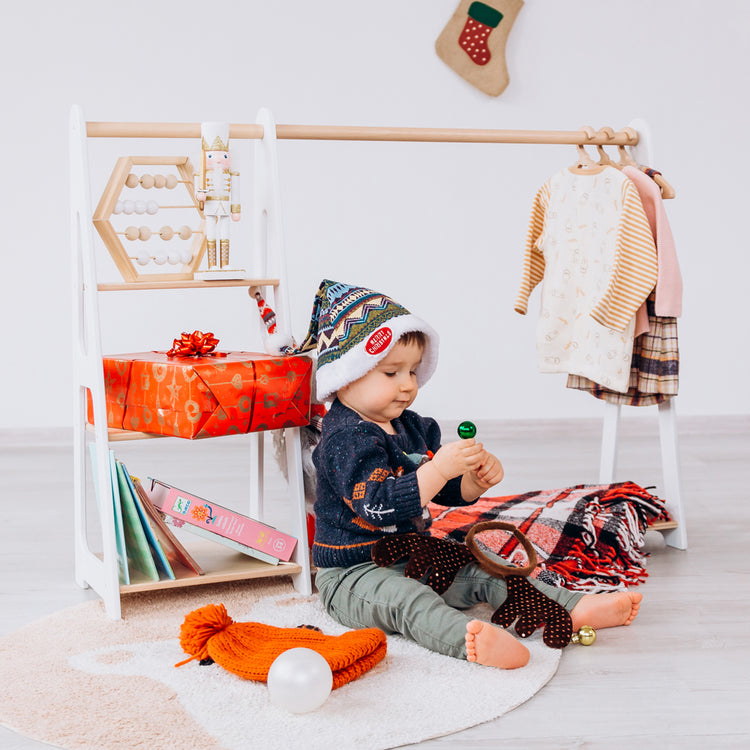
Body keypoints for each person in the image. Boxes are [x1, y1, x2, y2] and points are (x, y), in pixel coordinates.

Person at [285, 279, 642, 669]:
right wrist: (438, 468)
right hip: (353, 574)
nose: (408, 385)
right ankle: (465, 639)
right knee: (409, 601)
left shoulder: (411, 426)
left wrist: (470, 481)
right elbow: (378, 505)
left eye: (412, 371)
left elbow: (442, 491)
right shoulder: (343, 439)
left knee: (483, 567)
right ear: (347, 375)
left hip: (412, 555)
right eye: (391, 373)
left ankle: (572, 606)